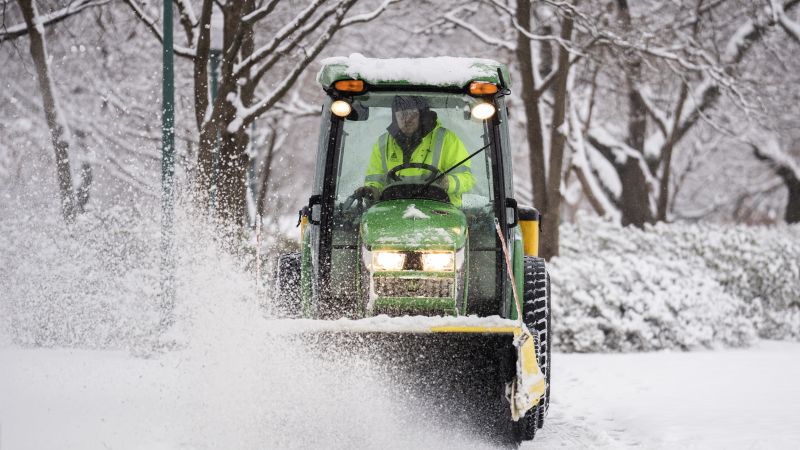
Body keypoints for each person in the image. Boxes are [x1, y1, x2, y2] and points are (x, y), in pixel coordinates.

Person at [354, 96, 475, 206]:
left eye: (412, 113)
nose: (407, 119)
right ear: (394, 117)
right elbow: (375, 180)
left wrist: (448, 182)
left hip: (442, 211)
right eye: (401, 114)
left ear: (421, 115)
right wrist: (372, 190)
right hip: (392, 211)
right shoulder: (383, 143)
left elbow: (467, 179)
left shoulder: (447, 140)